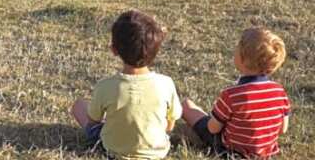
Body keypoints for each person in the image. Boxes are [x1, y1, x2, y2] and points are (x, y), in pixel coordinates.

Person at [70, 10, 182, 159]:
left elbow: (93, 120)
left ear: (114, 50)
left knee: (79, 105)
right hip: (157, 152)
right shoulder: (166, 83)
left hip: (112, 150)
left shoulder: (105, 86)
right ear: (156, 51)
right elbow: (170, 124)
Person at [182, 27, 291, 158]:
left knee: (187, 106)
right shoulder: (279, 91)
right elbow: (282, 129)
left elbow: (213, 128)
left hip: (229, 151)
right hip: (265, 153)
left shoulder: (232, 95)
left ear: (243, 59)